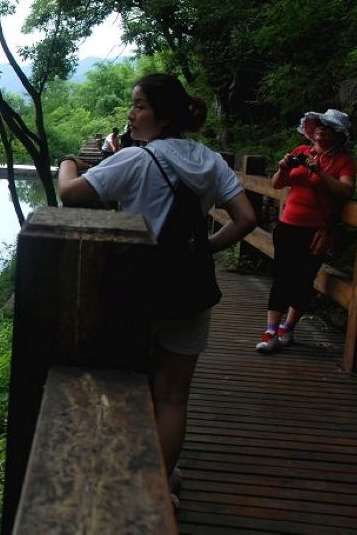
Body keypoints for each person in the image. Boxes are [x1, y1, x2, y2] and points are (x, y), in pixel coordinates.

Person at [57, 72, 256, 504]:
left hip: (139, 294)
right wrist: (206, 247)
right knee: (172, 399)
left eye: (139, 105)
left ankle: (118, 483)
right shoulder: (209, 159)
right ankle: (158, 487)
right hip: (191, 293)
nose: (131, 114)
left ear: (162, 118)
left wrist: (67, 162)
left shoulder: (138, 160)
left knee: (126, 386)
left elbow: (71, 194)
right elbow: (246, 219)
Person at [256, 109, 356, 352]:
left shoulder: (343, 161)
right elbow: (277, 183)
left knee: (303, 280)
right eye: (319, 124)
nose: (321, 128)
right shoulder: (301, 151)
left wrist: (319, 173)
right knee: (281, 276)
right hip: (288, 225)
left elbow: (346, 191)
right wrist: (282, 167)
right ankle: (270, 332)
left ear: (339, 134)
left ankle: (287, 329)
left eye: (328, 126)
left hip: (316, 230)